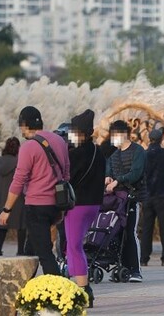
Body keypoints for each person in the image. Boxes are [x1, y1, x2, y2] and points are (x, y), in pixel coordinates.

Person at [0, 106, 70, 276]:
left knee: (45, 253)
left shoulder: (28, 147)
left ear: (24, 125)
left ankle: (57, 291)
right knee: (31, 248)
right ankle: (28, 285)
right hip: (56, 204)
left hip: (37, 205)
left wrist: (6, 209)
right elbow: (66, 174)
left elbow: (18, 180)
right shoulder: (60, 141)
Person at [64, 109, 106, 307]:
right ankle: (79, 286)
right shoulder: (98, 152)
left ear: (78, 132)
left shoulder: (77, 153)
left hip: (78, 205)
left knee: (73, 246)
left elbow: (67, 177)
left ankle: (82, 290)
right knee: (75, 245)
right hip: (94, 204)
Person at [105, 120, 147, 283]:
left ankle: (135, 270)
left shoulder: (138, 151)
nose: (113, 139)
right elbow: (109, 170)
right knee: (117, 233)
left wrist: (118, 181)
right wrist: (108, 177)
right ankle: (122, 268)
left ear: (123, 134)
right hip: (117, 200)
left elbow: (136, 173)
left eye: (115, 135)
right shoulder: (114, 155)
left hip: (132, 198)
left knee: (130, 233)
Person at [141, 129, 164, 267]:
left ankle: (144, 258)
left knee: (147, 228)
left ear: (149, 139)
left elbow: (141, 174)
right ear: (161, 139)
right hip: (162, 195)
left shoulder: (144, 154)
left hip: (147, 196)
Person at [0, 137, 27, 256]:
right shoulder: (19, 162)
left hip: (1, 197)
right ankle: (21, 251)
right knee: (21, 225)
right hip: (17, 198)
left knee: (2, 225)